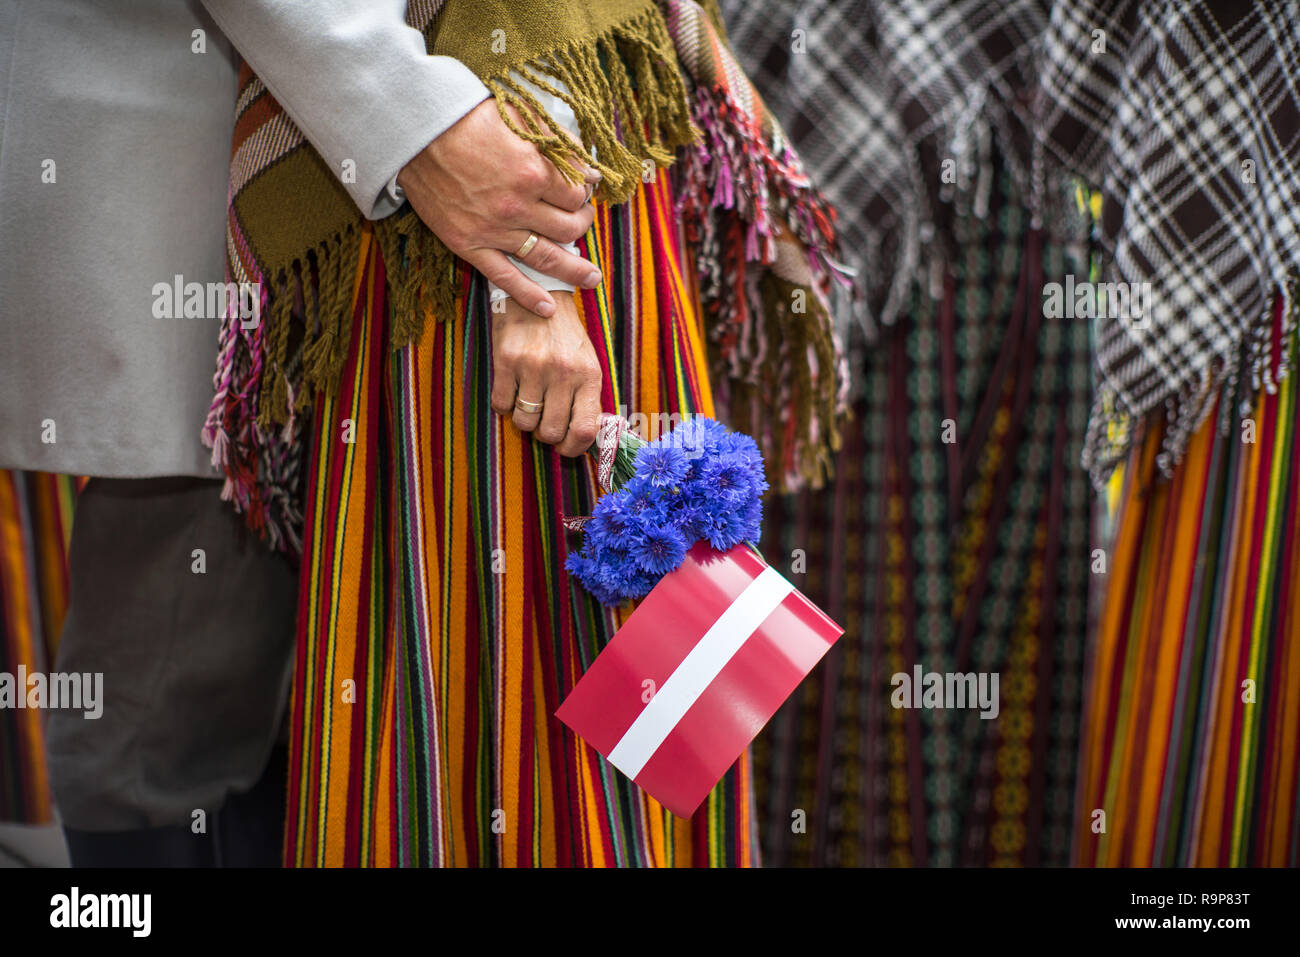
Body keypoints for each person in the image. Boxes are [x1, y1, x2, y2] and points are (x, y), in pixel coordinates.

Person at [203, 0, 846, 866]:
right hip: (488, 202)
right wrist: (536, 283)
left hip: (591, 176)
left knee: (631, 691)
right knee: (511, 675)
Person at [0, 0, 611, 866]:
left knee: (353, 701)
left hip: (399, 201)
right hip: (230, 183)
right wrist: (417, 122)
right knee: (167, 719)